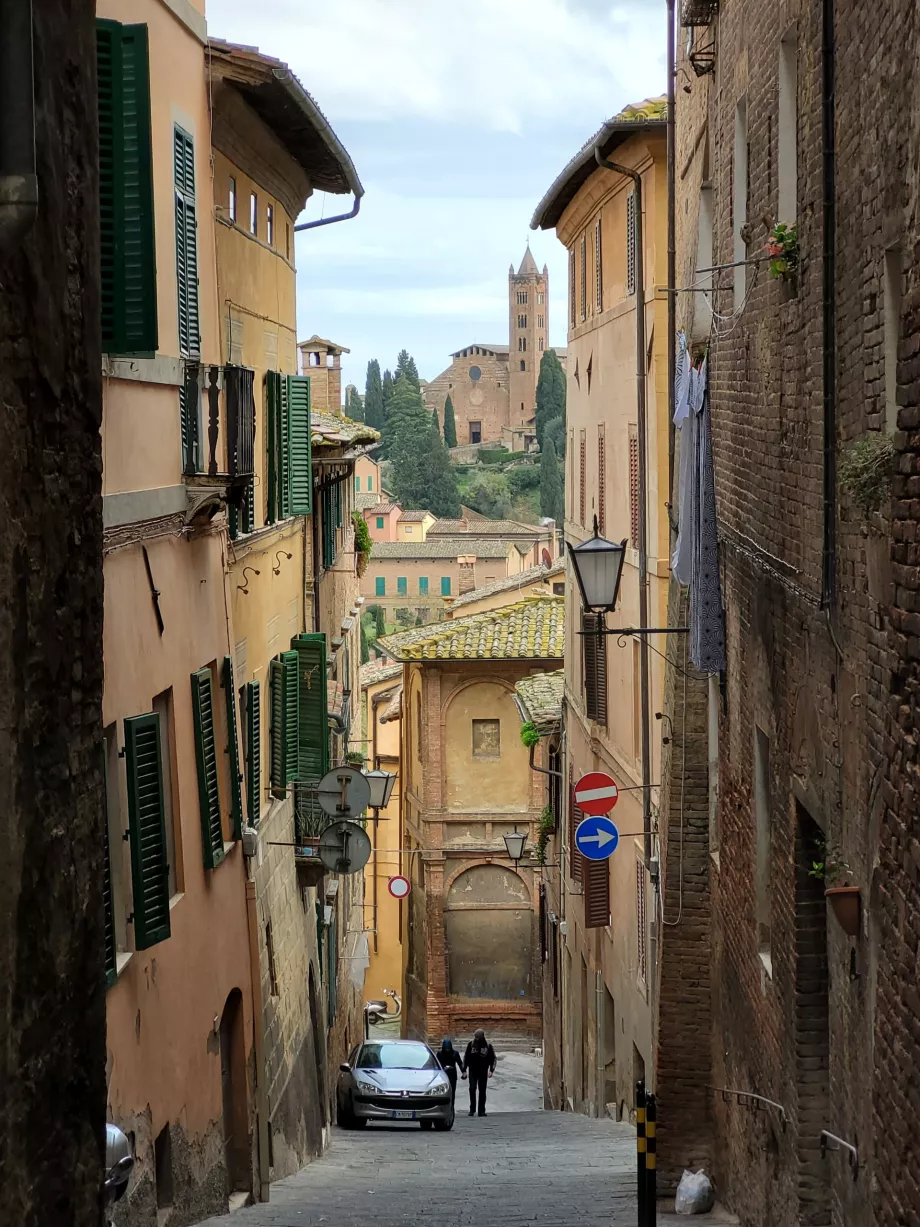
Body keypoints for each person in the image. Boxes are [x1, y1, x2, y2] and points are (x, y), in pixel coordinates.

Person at [462, 1029, 496, 1117]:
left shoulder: (488, 1046)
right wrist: (464, 1070)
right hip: (473, 1070)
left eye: (478, 1038)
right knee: (472, 1089)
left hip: (483, 1071)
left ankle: (481, 1110)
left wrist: (491, 1070)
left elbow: (493, 1059)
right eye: (475, 1038)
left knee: (482, 1091)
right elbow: (466, 1057)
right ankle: (472, 1109)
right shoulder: (471, 1045)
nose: (476, 1039)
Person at [436, 1038, 464, 1105]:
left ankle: (451, 1107)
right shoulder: (440, 1054)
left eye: (448, 1049)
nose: (447, 1050)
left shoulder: (455, 1053)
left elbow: (460, 1063)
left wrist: (464, 1071)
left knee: (452, 1093)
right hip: (443, 1075)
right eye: (446, 1049)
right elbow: (436, 1064)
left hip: (452, 1075)